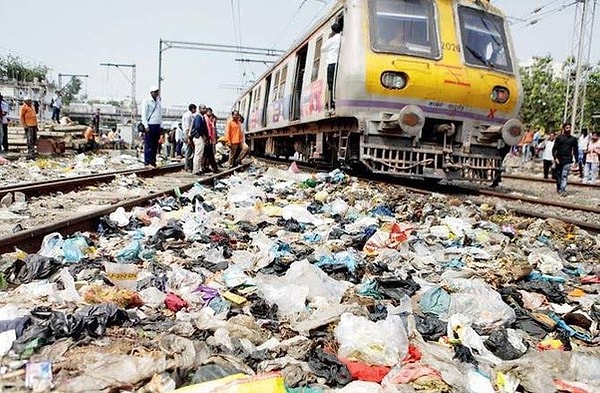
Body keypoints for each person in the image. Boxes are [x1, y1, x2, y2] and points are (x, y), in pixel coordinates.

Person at [321, 21, 342, 111]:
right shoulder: (343, 38)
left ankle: (332, 105)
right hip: (341, 63)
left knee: (331, 84)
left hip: (332, 63)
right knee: (338, 83)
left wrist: (329, 38)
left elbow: (323, 49)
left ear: (333, 30)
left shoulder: (332, 39)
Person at [552, 123, 578, 195]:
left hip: (567, 160)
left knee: (564, 175)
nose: (568, 129)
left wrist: (576, 161)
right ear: (564, 128)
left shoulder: (573, 139)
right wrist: (555, 158)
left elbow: (576, 150)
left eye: (569, 128)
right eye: (567, 128)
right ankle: (559, 188)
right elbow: (554, 149)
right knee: (558, 175)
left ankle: (563, 190)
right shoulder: (559, 138)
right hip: (559, 160)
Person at [141, 87, 163, 167]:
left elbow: (160, 115)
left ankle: (153, 161)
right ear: (151, 93)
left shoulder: (158, 101)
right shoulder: (146, 101)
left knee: (155, 145)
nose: (156, 93)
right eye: (155, 92)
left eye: (157, 92)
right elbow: (144, 115)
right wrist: (146, 126)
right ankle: (147, 162)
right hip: (150, 125)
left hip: (157, 125)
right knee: (149, 144)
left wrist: (161, 126)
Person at [191, 104, 208, 175]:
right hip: (198, 137)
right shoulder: (198, 117)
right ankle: (196, 169)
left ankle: (198, 168)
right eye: (203, 108)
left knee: (200, 154)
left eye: (205, 108)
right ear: (200, 109)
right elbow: (198, 127)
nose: (205, 110)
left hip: (199, 137)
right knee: (198, 154)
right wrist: (203, 135)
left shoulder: (201, 117)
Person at [202, 107, 219, 173]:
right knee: (209, 154)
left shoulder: (209, 120)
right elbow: (208, 131)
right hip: (208, 139)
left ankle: (207, 167)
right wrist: (208, 138)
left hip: (210, 139)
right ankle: (212, 168)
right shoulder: (206, 119)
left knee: (208, 154)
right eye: (210, 112)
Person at [181, 104, 197, 172]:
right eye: (195, 109)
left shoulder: (186, 114)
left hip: (186, 133)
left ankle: (188, 166)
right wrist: (188, 136)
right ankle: (188, 167)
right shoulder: (189, 115)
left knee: (189, 150)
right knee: (189, 150)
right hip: (188, 133)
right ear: (193, 109)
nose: (196, 111)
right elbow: (188, 127)